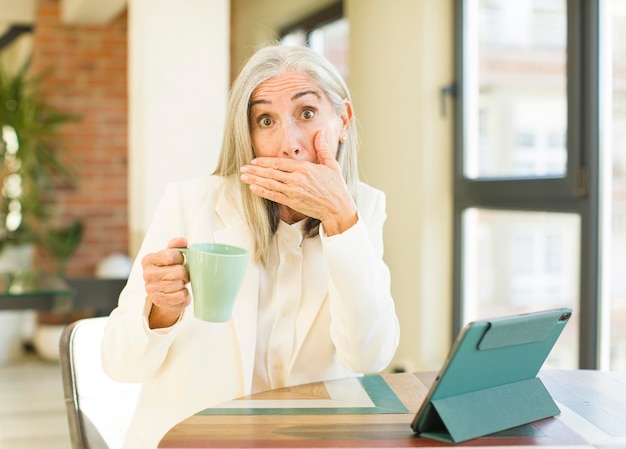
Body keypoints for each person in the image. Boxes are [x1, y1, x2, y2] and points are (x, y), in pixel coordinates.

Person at [101, 43, 400, 449]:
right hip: (193, 440)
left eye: (306, 114)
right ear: (249, 136)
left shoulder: (362, 208)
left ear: (343, 120)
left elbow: (369, 357)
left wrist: (340, 219)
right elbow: (119, 364)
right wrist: (161, 311)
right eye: (265, 120)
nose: (288, 144)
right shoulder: (190, 204)